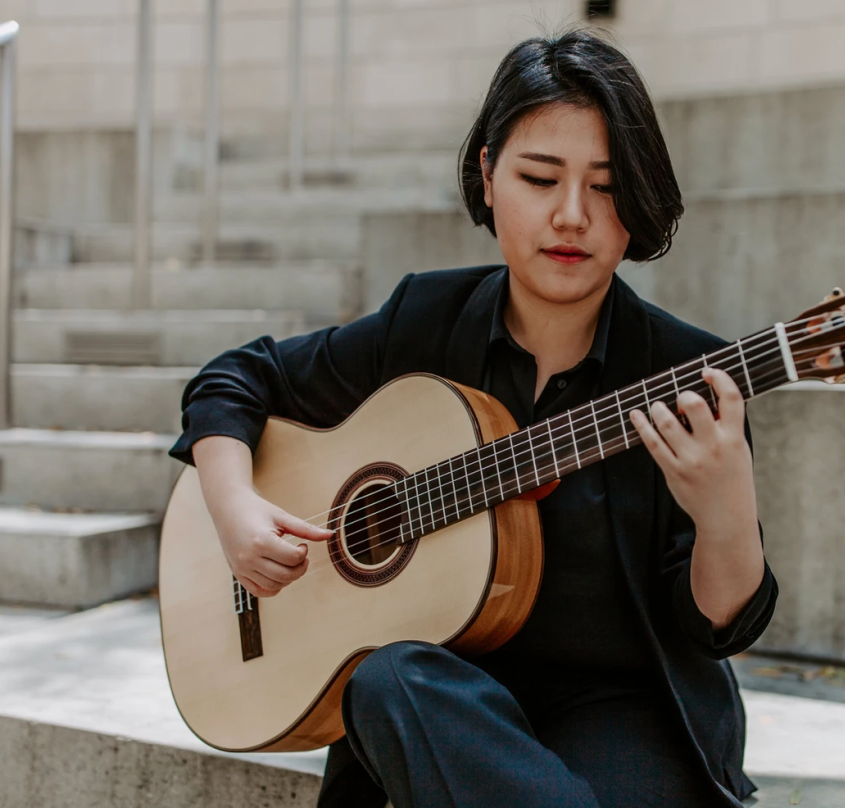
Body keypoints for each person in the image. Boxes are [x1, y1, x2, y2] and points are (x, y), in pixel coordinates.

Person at [169, 27, 778, 808]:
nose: (571, 215)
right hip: (441, 702)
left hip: (623, 707)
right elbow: (237, 377)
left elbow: (714, 629)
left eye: (605, 184)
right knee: (386, 676)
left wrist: (727, 515)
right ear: (488, 175)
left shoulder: (691, 379)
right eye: (539, 177)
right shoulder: (423, 322)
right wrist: (234, 508)